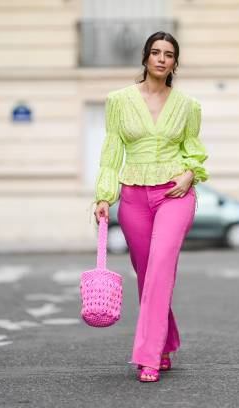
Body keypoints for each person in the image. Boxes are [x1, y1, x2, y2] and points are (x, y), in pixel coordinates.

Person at [91, 31, 209, 383]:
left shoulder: (188, 106)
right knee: (147, 276)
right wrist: (104, 195)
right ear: (145, 57)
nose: (161, 58)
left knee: (160, 266)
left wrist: (190, 175)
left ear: (175, 62)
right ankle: (166, 341)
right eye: (155, 52)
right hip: (133, 198)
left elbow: (194, 149)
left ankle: (148, 357)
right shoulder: (119, 100)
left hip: (175, 193)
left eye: (168, 54)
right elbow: (112, 151)